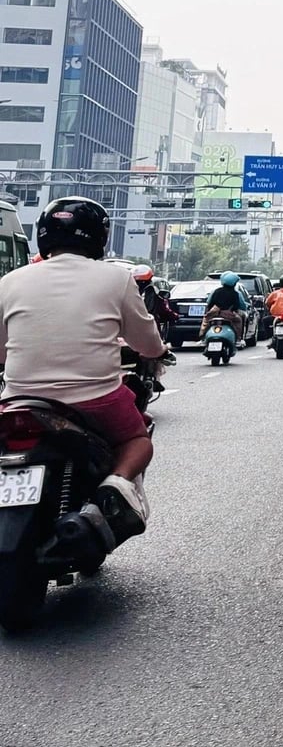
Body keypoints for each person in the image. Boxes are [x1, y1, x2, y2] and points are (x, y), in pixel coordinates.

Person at [0, 197, 165, 560]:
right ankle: (114, 486)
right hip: (96, 398)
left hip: (17, 400)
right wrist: (152, 351)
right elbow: (148, 343)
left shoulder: (10, 281)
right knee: (139, 437)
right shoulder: (116, 278)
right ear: (98, 237)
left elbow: (1, 351)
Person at [204, 272, 248, 349]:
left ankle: (203, 338)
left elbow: (209, 303)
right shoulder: (236, 293)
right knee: (239, 320)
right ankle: (238, 338)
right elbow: (239, 306)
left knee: (205, 320)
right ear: (234, 283)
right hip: (229, 314)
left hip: (214, 313)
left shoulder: (215, 291)